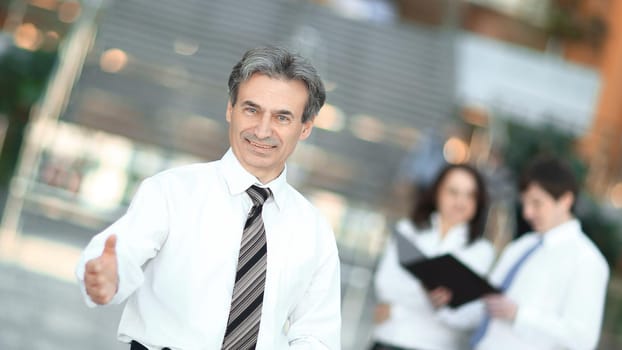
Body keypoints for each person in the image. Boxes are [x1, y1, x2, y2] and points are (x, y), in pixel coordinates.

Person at [75, 46, 341, 350]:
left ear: (305, 127)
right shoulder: (171, 191)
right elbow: (119, 253)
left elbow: (317, 334)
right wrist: (107, 278)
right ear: (230, 109)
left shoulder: (314, 230)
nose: (262, 130)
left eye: (282, 117)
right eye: (251, 110)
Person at [470, 155, 609, 350]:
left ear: (566, 200)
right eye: (525, 203)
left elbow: (582, 339)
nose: (527, 213)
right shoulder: (520, 246)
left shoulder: (587, 260)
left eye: (537, 203)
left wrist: (520, 315)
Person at [371, 163, 495, 350]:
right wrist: (435, 300)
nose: (461, 202)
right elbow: (385, 284)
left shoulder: (481, 251)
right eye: (453, 192)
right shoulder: (410, 230)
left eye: (470, 195)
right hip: (389, 339)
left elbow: (471, 315)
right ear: (437, 192)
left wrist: (397, 309)